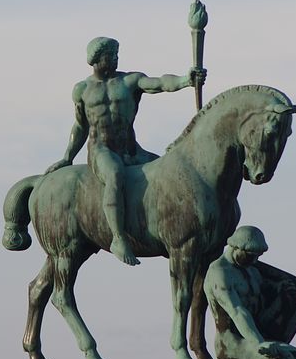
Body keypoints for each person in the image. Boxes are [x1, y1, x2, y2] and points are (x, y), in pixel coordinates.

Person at [46, 36, 203, 265]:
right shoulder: (82, 90)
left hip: (131, 149)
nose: (116, 60)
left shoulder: (130, 81)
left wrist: (184, 80)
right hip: (102, 150)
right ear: (98, 60)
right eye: (112, 56)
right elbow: (80, 126)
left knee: (169, 171)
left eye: (117, 55)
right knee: (114, 175)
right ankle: (118, 238)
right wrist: (67, 158)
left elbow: (159, 83)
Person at [204, 225, 296, 359]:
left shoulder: (252, 270)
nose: (255, 260)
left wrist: (282, 289)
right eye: (251, 255)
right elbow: (237, 311)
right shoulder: (219, 273)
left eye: (258, 256)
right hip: (231, 343)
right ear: (236, 248)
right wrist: (258, 343)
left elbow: (266, 295)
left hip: (257, 337)